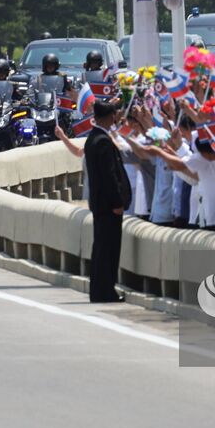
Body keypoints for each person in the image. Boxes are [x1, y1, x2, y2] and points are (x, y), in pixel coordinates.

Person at [85, 99, 130, 303]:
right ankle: (105, 291)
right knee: (108, 250)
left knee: (101, 248)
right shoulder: (102, 141)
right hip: (108, 207)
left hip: (100, 205)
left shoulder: (93, 138)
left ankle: (100, 290)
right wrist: (117, 202)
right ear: (111, 117)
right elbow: (109, 176)